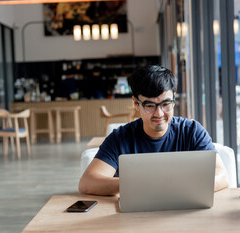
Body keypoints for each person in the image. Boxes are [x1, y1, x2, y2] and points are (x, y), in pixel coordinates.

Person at [79, 65, 229, 196]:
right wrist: (141, 186)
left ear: (174, 100)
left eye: (165, 104)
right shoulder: (120, 138)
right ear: (136, 104)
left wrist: (175, 187)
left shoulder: (192, 132)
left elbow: (222, 177)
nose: (159, 113)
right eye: (150, 105)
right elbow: (87, 182)